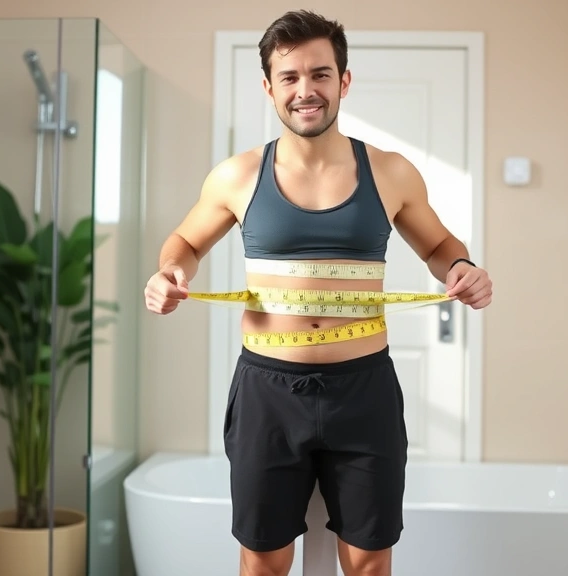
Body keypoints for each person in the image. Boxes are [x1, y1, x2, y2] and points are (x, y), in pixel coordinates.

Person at [144, 9, 492, 576]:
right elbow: (184, 241)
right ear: (269, 87)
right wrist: (168, 272)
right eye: (290, 77)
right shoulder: (237, 175)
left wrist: (463, 267)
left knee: (369, 562)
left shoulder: (390, 172)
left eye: (321, 74)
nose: (306, 90)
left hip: (365, 390)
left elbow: (439, 246)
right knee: (263, 562)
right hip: (267, 393)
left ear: (343, 81)